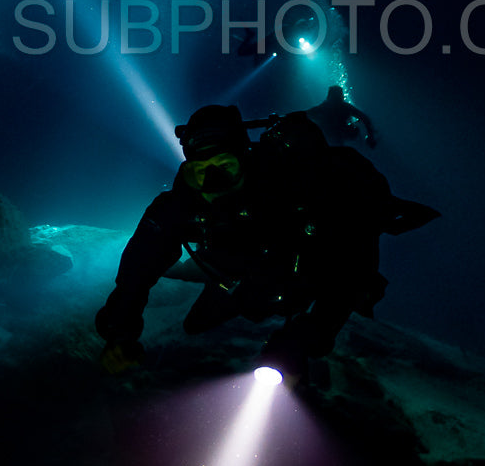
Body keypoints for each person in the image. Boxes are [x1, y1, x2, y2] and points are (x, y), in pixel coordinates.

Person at [95, 104, 438, 380]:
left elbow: (351, 271)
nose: (214, 182)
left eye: (225, 166)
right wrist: (121, 327)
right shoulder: (183, 204)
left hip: (301, 280)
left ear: (245, 158)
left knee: (290, 347)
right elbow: (139, 266)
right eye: (201, 172)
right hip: (239, 282)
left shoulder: (298, 190)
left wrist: (304, 340)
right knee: (195, 325)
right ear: (188, 172)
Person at [307, 85, 378, 148]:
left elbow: (306, 115)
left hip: (330, 136)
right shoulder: (345, 107)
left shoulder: (323, 107)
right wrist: (370, 136)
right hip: (337, 136)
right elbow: (364, 118)